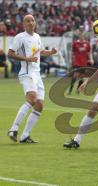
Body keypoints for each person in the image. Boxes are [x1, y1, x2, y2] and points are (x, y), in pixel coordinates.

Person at [7, 14, 57, 143]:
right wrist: (26, 59)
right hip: (27, 72)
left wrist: (50, 52)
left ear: (35, 23)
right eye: (27, 21)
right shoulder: (20, 37)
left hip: (37, 74)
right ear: (24, 24)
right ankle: (13, 128)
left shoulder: (37, 37)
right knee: (32, 99)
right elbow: (10, 53)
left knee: (39, 105)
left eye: (32, 20)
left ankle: (25, 136)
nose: (30, 22)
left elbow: (40, 52)